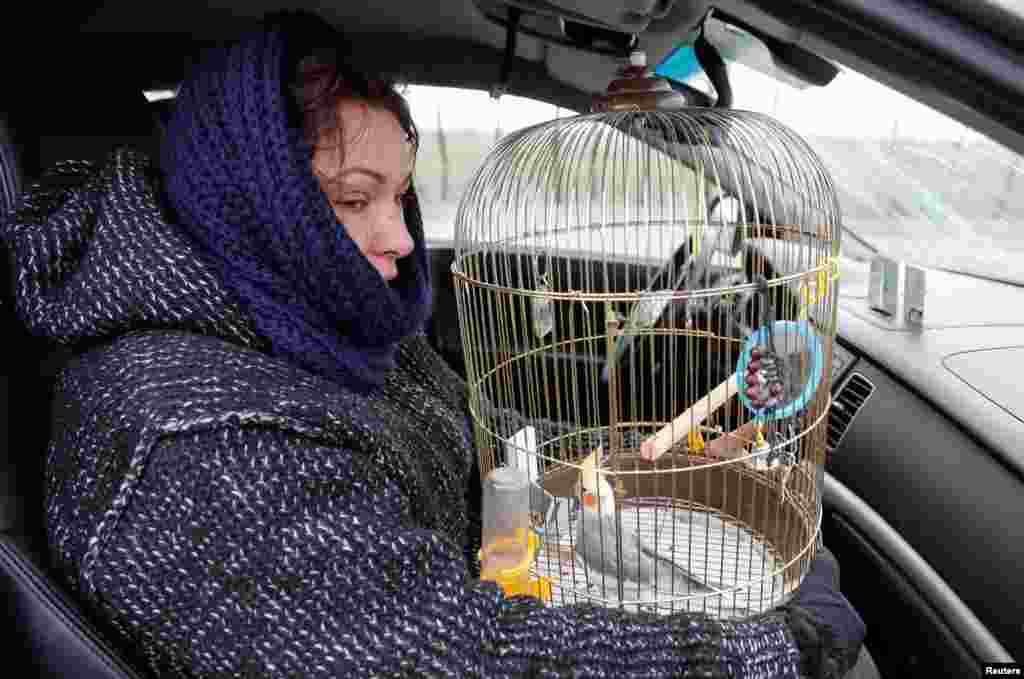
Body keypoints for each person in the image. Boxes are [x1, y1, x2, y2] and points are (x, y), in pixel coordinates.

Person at [2, 10, 876, 679]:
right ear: (255, 209)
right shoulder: (192, 442)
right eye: (352, 200)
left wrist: (624, 481)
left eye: (401, 194)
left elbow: (461, 486)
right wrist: (773, 653)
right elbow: (470, 656)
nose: (402, 239)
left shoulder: (318, 319)